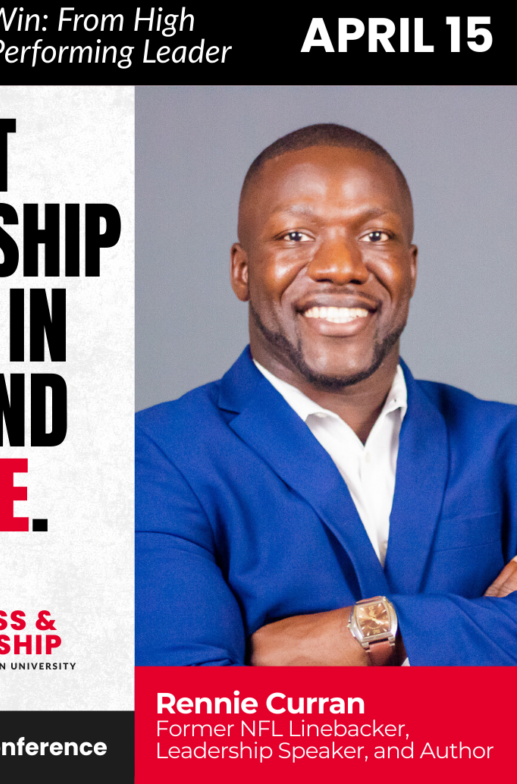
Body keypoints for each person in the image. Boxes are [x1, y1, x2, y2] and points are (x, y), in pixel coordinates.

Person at [136, 123, 517, 666]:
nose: (341, 266)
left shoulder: (506, 441)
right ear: (243, 271)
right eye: (295, 236)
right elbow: (184, 726)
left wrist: (376, 631)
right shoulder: (151, 457)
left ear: (410, 268)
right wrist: (475, 638)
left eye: (375, 236)